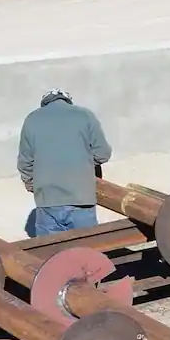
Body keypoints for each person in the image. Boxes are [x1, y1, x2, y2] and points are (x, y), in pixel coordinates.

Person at [17, 90, 112, 238]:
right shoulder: (85, 115)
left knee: (51, 256)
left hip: (48, 200)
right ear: (68, 101)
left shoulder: (32, 119)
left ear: (45, 103)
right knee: (88, 253)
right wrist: (83, 164)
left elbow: (25, 163)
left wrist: (33, 186)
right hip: (82, 198)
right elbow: (103, 153)